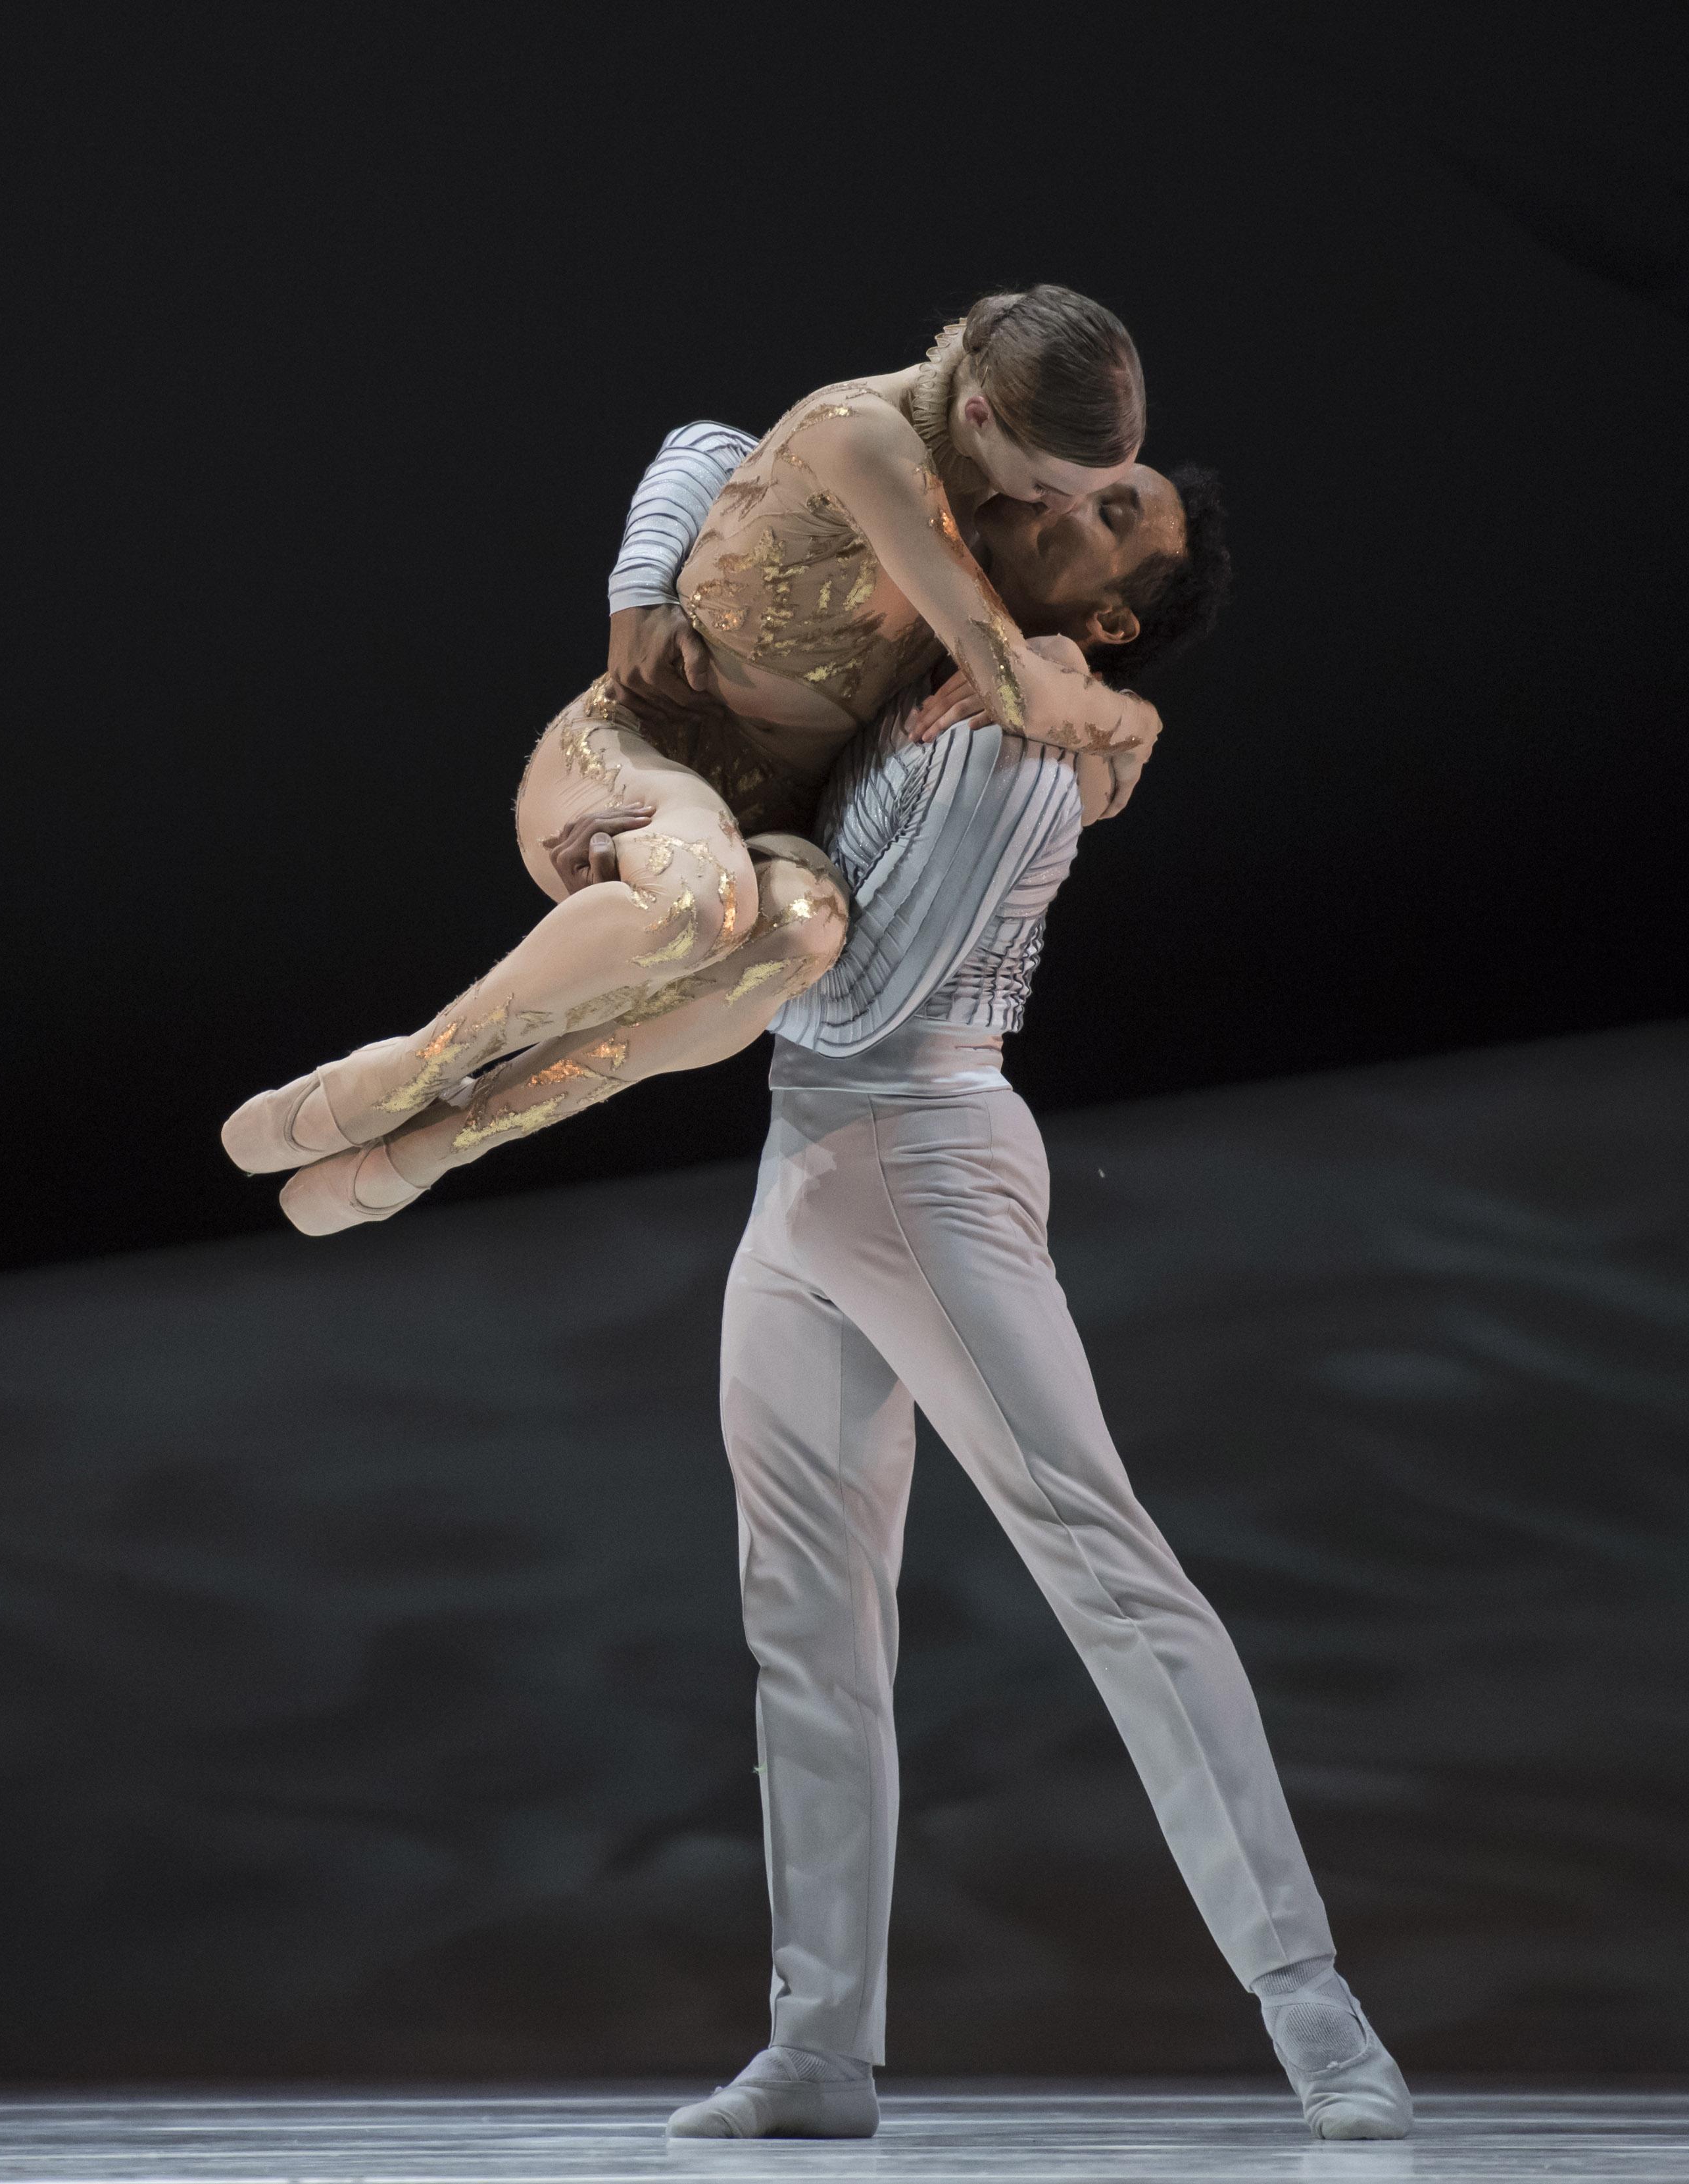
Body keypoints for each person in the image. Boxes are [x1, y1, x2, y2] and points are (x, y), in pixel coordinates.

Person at [602, 458, 1413, 2145]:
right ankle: (819, 2046)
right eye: (1094, 476)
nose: (1073, 492)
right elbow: (703, 446)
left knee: (1105, 1563)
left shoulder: (1020, 757)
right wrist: (643, 608)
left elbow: (854, 999)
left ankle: (1316, 2010)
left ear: (1105, 614)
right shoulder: (908, 665)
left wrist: (708, 904)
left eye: (1117, 511)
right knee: (807, 1618)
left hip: (922, 1160)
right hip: (806, 1175)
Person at [222, 290, 1170, 1234]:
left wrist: (1072, 673)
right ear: (978, 416)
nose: (1052, 509)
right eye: (1050, 490)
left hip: (764, 834)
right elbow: (708, 449)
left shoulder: (988, 531)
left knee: (803, 930)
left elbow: (1041, 736)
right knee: (699, 902)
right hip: (632, 760)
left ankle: (439, 1144)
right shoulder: (866, 439)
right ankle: (403, 1074)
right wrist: (1132, 720)